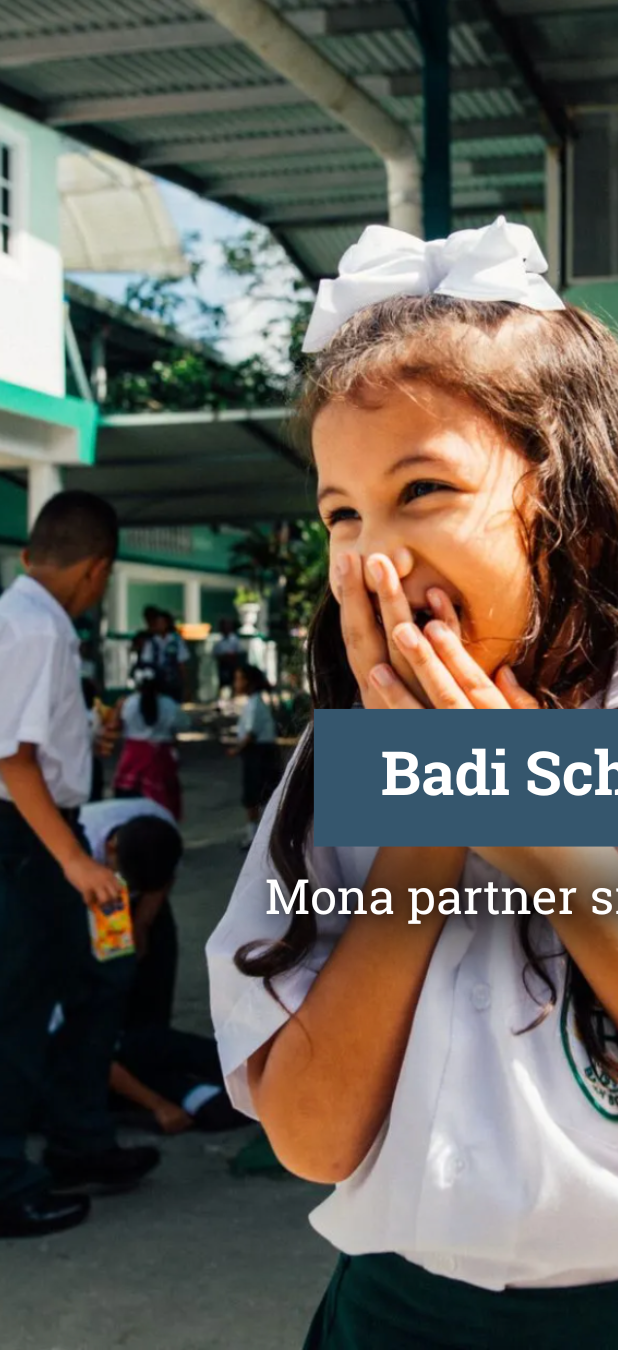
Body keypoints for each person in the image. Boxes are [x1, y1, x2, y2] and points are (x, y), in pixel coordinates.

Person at [207, 219, 618, 1349]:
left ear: (576, 515)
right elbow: (312, 1140)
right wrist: (433, 812)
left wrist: (552, 845)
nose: (373, 557)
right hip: (400, 1324)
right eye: (341, 512)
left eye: (422, 489)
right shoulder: (337, 773)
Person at [0, 490, 159, 1240]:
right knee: (18, 1009)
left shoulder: (26, 618)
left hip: (39, 832)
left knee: (97, 976)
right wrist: (72, 860)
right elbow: (10, 759)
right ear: (98, 570)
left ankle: (78, 1138)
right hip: (27, 842)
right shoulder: (37, 627)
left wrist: (80, 752)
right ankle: (9, 1178)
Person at [76, 800, 247, 1135]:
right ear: (110, 850)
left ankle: (245, 1067)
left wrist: (141, 925)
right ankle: (189, 1087)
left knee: (148, 1027)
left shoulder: (157, 827)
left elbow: (159, 881)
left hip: (102, 1043)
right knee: (118, 1035)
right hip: (91, 898)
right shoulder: (80, 843)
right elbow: (88, 1053)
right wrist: (157, 1105)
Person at [112, 666, 188, 820]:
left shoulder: (128, 704)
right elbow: (184, 723)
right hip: (161, 758)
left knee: (128, 800)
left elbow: (117, 726)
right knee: (163, 801)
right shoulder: (169, 705)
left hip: (133, 757)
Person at [228, 662, 280, 848]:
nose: (236, 683)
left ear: (248, 682)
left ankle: (256, 835)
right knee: (260, 793)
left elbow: (250, 734)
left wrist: (236, 749)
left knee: (255, 794)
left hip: (259, 752)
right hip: (259, 751)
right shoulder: (253, 702)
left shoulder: (255, 704)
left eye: (239, 679)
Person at [212, 617, 244, 703]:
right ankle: (222, 701)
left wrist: (231, 657)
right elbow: (216, 654)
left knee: (233, 683)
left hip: (233, 666)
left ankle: (233, 700)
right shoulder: (219, 642)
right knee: (222, 684)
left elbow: (239, 653)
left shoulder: (235, 640)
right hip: (223, 666)